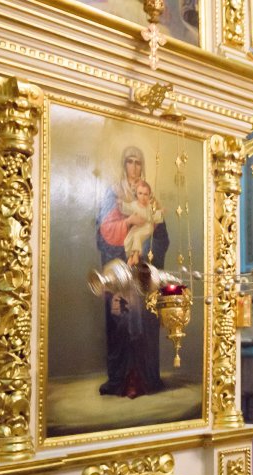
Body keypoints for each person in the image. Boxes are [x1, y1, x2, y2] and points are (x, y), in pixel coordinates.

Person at [96, 146, 169, 398]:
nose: (134, 167)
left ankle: (145, 378)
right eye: (130, 161)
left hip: (143, 272)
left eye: (138, 162)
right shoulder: (114, 194)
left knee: (145, 323)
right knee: (120, 323)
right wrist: (128, 223)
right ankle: (119, 379)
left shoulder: (150, 197)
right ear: (123, 164)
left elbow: (162, 237)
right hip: (120, 271)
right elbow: (103, 233)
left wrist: (147, 256)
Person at [121, 180, 165, 265]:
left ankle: (136, 255)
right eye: (140, 193)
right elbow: (127, 208)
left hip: (147, 227)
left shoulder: (149, 207)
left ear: (149, 195)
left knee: (137, 236)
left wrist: (160, 212)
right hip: (138, 227)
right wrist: (121, 204)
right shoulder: (134, 205)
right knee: (128, 239)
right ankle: (130, 257)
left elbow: (154, 216)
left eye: (145, 194)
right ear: (136, 194)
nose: (142, 197)